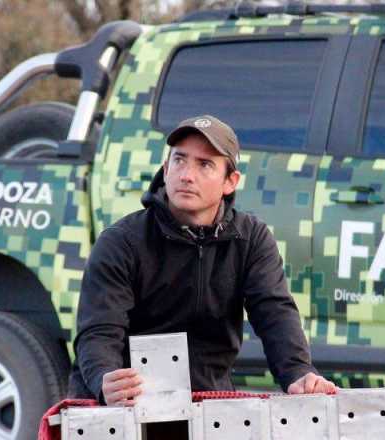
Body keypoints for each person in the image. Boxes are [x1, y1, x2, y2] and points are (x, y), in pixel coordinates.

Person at [68, 115, 336, 406]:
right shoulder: (121, 241)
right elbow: (99, 330)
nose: (186, 175)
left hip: (209, 401)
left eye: (204, 165)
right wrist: (104, 379)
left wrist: (298, 372)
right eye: (179, 160)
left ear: (230, 182)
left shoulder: (252, 239)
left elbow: (275, 312)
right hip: (121, 402)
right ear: (166, 168)